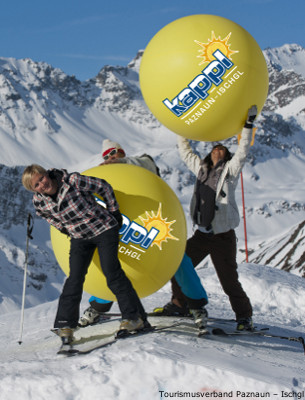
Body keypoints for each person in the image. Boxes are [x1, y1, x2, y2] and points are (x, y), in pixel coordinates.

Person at [79, 139, 209, 331]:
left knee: (178, 260)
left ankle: (197, 307)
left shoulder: (140, 163)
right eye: (107, 156)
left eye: (114, 153)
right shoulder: (106, 177)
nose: (111, 157)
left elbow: (147, 164)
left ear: (122, 153)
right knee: (113, 264)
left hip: (157, 226)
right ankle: (98, 307)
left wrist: (120, 164)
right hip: (126, 229)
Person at [155, 106, 257, 331]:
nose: (217, 151)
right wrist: (180, 129)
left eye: (221, 150)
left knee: (229, 280)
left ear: (226, 157)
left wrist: (248, 126)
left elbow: (242, 152)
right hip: (202, 234)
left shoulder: (229, 173)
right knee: (179, 263)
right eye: (214, 149)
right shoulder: (201, 170)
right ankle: (179, 304)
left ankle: (244, 317)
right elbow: (186, 153)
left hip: (222, 237)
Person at [22, 164, 150, 343]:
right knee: (74, 278)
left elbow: (103, 187)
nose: (42, 185)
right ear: (33, 189)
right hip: (80, 236)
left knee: (112, 272)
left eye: (41, 178)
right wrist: (65, 229)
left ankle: (134, 318)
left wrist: (114, 211)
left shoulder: (72, 181)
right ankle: (65, 325)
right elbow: (46, 215)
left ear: (47, 174)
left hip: (103, 228)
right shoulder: (39, 201)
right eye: (36, 185)